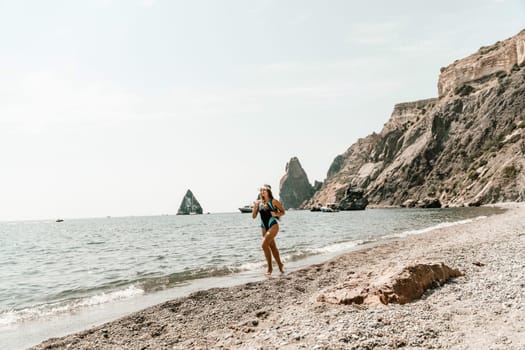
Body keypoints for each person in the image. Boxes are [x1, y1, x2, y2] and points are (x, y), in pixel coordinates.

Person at [252, 184, 285, 275]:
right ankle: (280, 265)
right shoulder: (258, 203)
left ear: (268, 191)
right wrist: (254, 208)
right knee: (273, 247)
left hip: (273, 225)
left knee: (264, 245)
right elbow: (254, 217)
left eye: (264, 190)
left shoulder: (273, 201)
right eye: (261, 190)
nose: (262, 192)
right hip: (263, 227)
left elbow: (283, 212)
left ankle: (270, 268)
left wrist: (275, 214)